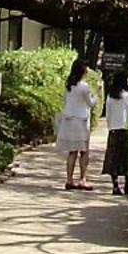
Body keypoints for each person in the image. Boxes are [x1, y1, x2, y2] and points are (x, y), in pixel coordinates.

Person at [56, 58, 95, 190]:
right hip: (81, 121)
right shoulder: (84, 86)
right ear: (83, 70)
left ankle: (69, 179)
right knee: (84, 151)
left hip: (69, 120)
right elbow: (90, 103)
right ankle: (83, 179)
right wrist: (96, 93)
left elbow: (65, 101)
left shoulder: (68, 85)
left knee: (72, 151)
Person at [102, 73, 128, 195]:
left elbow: (108, 113)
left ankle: (115, 185)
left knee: (114, 159)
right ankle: (127, 185)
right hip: (127, 129)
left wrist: (110, 126)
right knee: (127, 158)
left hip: (114, 130)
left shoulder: (111, 96)